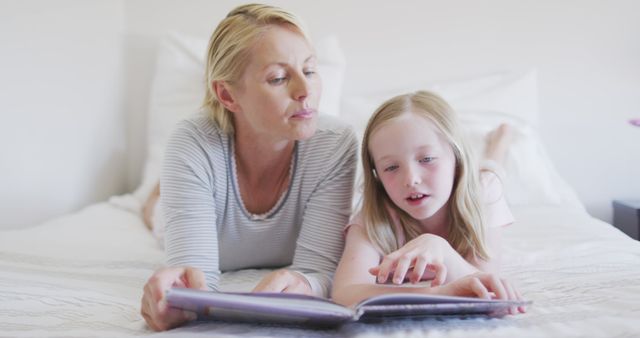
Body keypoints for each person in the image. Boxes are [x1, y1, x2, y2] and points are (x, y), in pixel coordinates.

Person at [139, 4, 360, 331]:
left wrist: (306, 284)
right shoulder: (190, 141)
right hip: (192, 179)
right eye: (279, 77)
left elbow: (320, 270)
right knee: (153, 213)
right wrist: (177, 300)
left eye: (310, 70)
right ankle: (153, 194)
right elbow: (196, 279)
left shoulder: (336, 143)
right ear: (227, 94)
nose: (305, 91)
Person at [332, 90, 525, 314]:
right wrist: (440, 294)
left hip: (480, 179)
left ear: (456, 157)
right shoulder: (375, 214)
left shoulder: (484, 192)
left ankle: (499, 142)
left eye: (427, 159)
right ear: (376, 175)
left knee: (491, 169)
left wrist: (439, 248)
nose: (411, 179)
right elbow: (344, 292)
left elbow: (487, 280)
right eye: (391, 167)